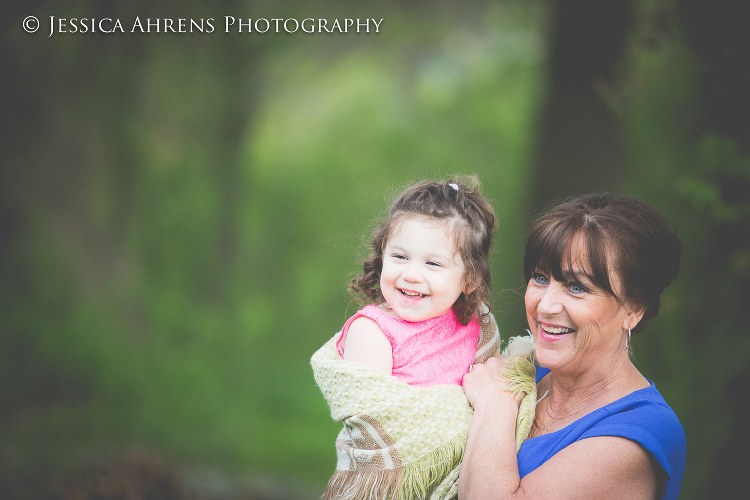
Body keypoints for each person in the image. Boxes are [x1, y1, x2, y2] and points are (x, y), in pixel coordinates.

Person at [460, 193, 687, 500]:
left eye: (577, 287)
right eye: (540, 278)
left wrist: (495, 405)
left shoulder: (642, 430)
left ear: (634, 309)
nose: (546, 306)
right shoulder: (525, 376)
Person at [311, 177, 503, 500]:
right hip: (391, 486)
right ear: (382, 255)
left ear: (469, 279)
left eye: (432, 263)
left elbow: (496, 383)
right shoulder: (373, 331)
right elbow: (380, 421)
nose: (412, 274)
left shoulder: (475, 325)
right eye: (400, 257)